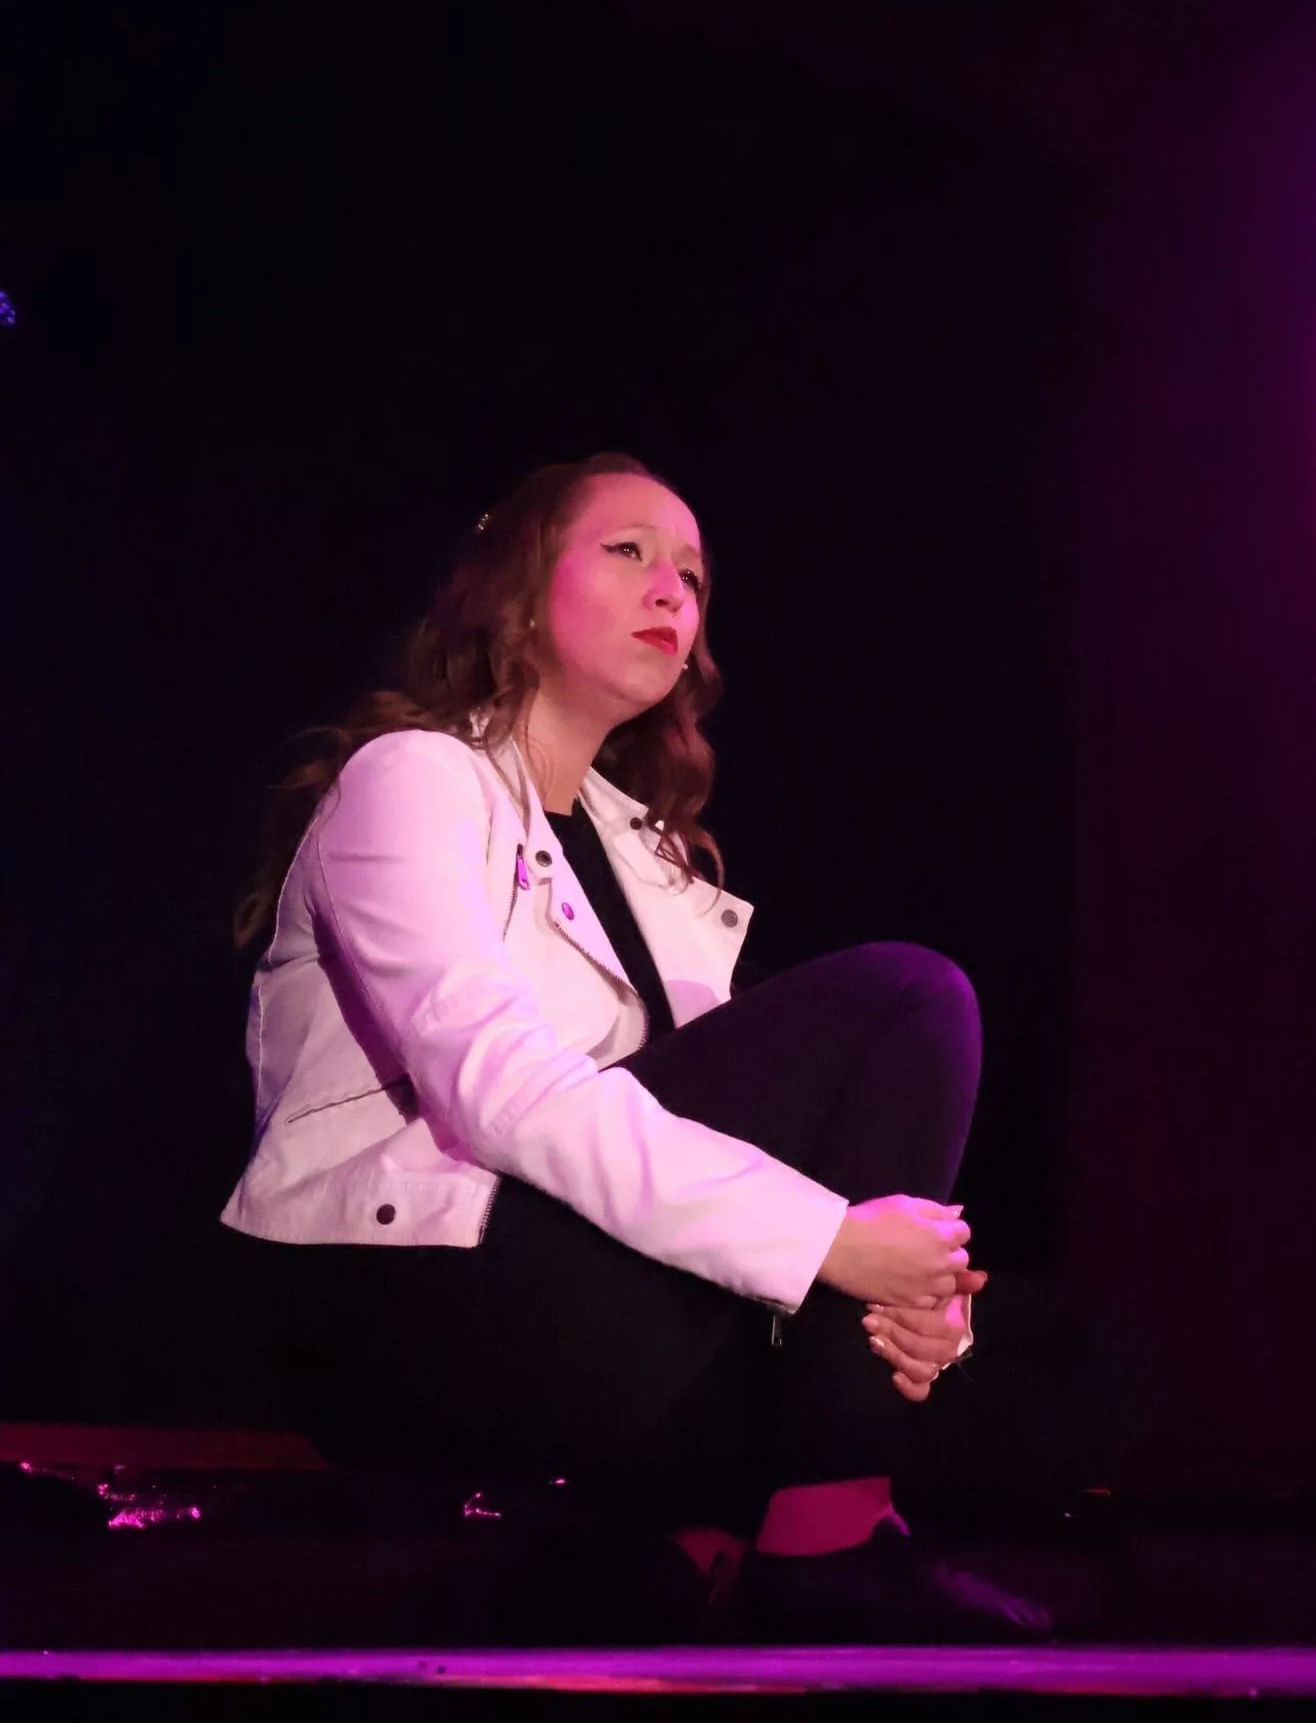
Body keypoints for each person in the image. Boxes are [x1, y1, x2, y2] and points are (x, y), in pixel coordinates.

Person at [221, 449, 1051, 1643]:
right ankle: (819, 1534)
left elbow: (721, 1155)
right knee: (907, 1000)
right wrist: (832, 1242)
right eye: (630, 552)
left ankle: (689, 1547)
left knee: (1058, 1365)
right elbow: (501, 1087)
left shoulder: (654, 863)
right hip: (410, 1290)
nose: (675, 591)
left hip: (579, 1284)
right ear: (518, 586)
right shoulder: (412, 779)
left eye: (695, 576)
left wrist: (912, 1292)